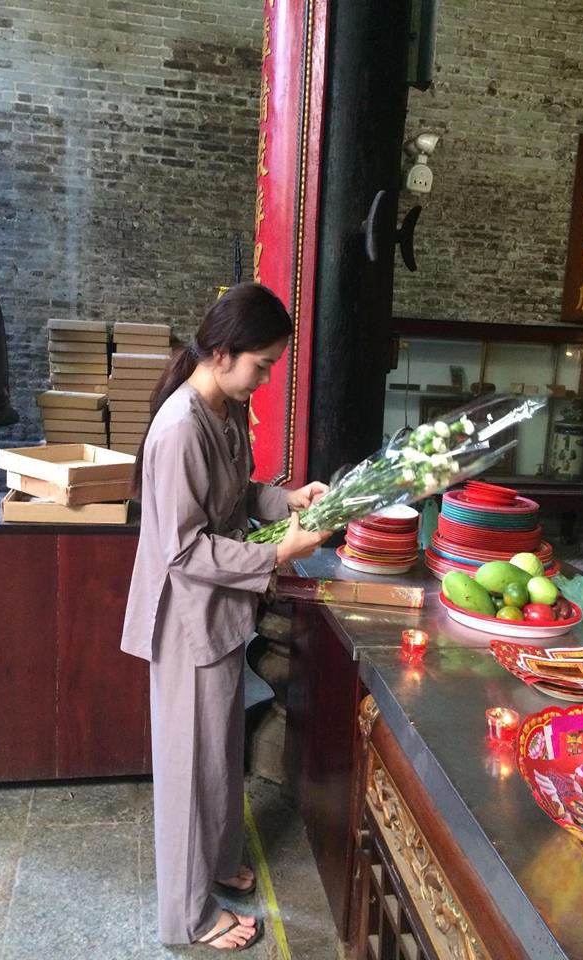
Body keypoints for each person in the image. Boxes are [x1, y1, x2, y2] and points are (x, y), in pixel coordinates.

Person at [120, 283, 331, 951]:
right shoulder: (180, 427)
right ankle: (187, 917)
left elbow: (237, 494)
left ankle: (214, 863)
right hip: (185, 621)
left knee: (216, 754)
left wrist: (286, 499)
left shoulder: (225, 407)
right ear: (221, 353)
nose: (264, 379)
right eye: (261, 365)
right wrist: (279, 555)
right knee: (188, 770)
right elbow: (182, 549)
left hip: (216, 611)